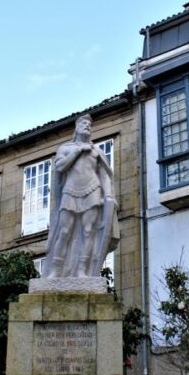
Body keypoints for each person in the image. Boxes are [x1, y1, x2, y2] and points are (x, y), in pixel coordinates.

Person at [44, 114, 118, 278]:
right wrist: (77, 151)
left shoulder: (96, 151)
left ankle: (82, 270)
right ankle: (56, 269)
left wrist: (108, 196)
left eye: (89, 124)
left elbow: (104, 175)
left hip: (92, 190)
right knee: (64, 231)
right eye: (84, 123)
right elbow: (61, 167)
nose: (87, 126)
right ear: (76, 127)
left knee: (88, 231)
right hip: (70, 191)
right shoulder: (65, 148)